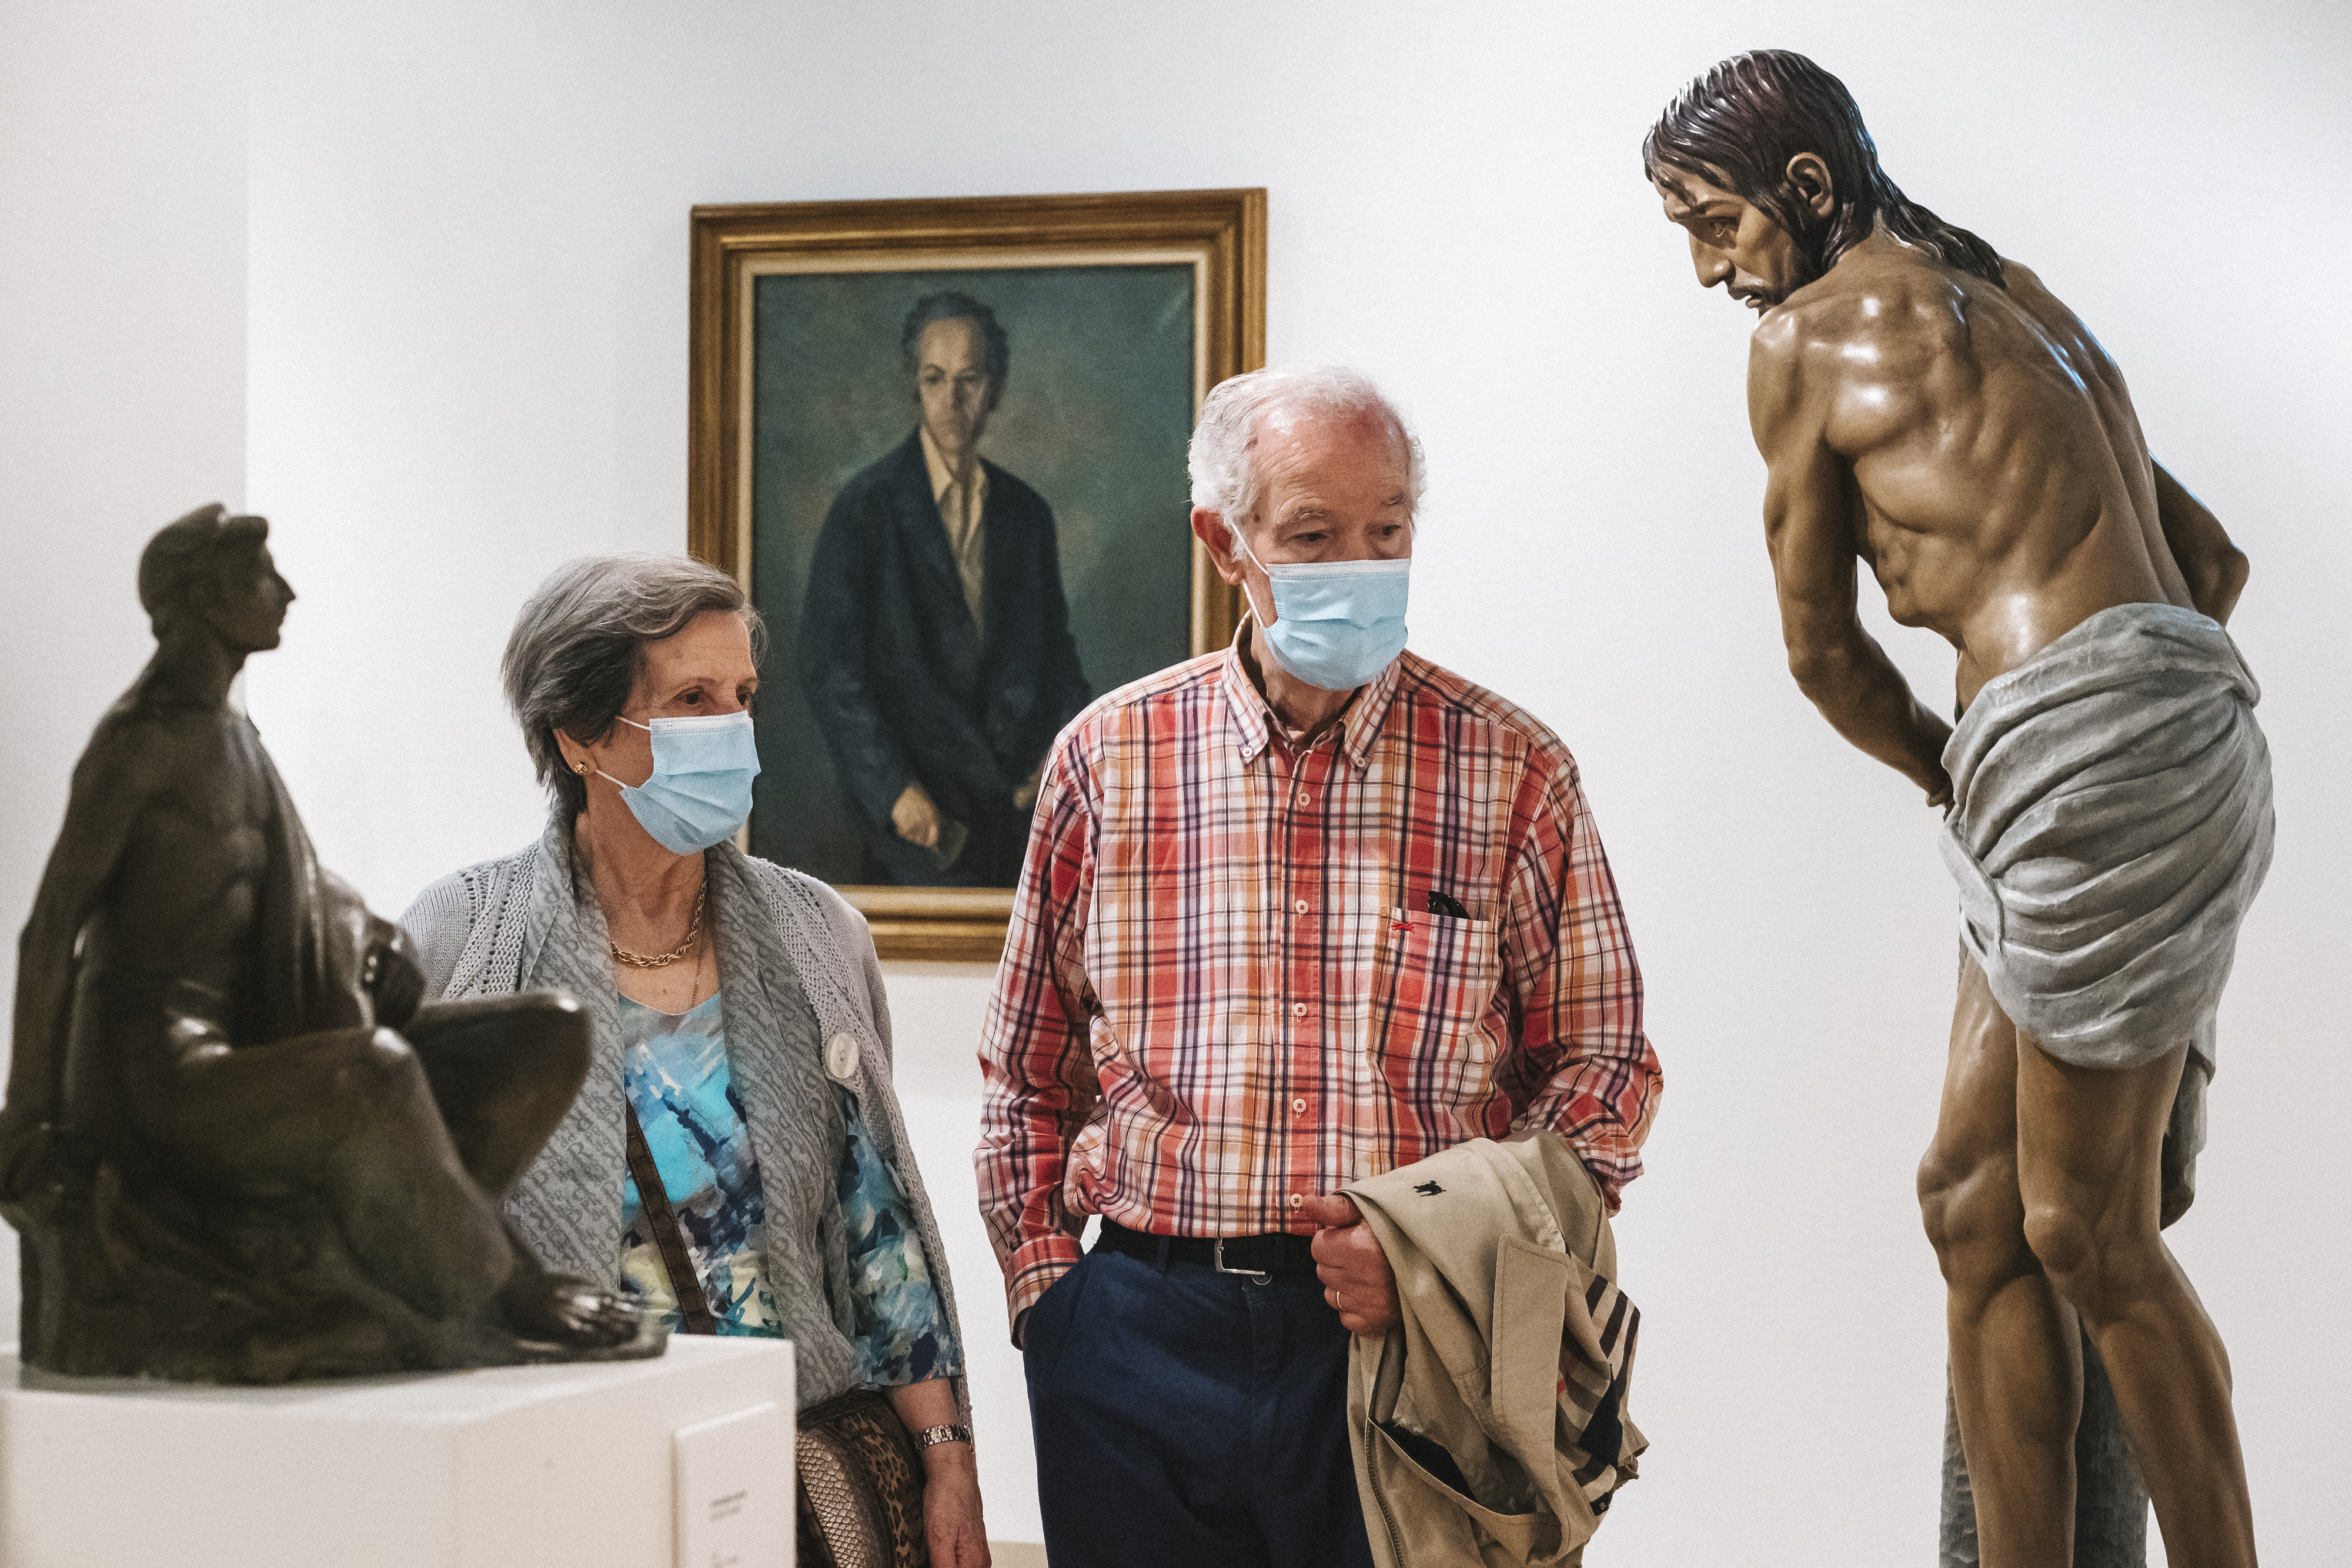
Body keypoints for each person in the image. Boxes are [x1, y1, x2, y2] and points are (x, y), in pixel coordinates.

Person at [1645, 51, 2271, 1568]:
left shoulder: (1798, 344)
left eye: (1715, 222)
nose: (1703, 266)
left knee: (2088, 1233)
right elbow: (2210, 561)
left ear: (1801, 190)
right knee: (1975, 1206)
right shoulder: (2020, 297)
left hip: (2070, 756)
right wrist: (2074, 731)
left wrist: (1971, 759)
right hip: (2165, 719)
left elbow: (1821, 654)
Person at [976, 367, 1663, 1566]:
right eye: (1313, 533)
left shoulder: (1509, 769)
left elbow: (1602, 1069)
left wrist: (1441, 1252)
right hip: (1137, 1339)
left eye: (1386, 529)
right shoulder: (1109, 758)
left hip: (1400, 1344)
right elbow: (1027, 1068)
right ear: (1221, 540)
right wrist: (1054, 1301)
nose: (1361, 560)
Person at [402, 553, 989, 1566]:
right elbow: (409, 1223)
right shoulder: (464, 937)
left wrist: (947, 1457)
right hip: (556, 1484)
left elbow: (874, 1225)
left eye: (743, 698)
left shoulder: (817, 933)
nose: (730, 728)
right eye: (690, 699)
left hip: (790, 1480)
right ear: (580, 735)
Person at [1, 505, 641, 1380]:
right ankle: (496, 1294)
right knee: (371, 1072)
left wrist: (365, 935)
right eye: (263, 573)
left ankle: (402, 1262)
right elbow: (50, 931)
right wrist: (26, 1118)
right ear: (202, 595)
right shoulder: (137, 746)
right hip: (160, 1079)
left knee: (550, 1030)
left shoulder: (237, 739)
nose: (287, 591)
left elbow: (291, 894)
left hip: (253, 1047)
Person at [801, 290, 1093, 887]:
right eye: (935, 380)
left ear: (997, 390)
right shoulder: (865, 509)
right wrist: (894, 790)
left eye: (971, 380)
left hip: (1014, 818)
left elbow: (1056, 661)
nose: (953, 402)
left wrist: (1053, 759)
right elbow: (831, 670)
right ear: (914, 386)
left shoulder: (1025, 513)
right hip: (913, 831)